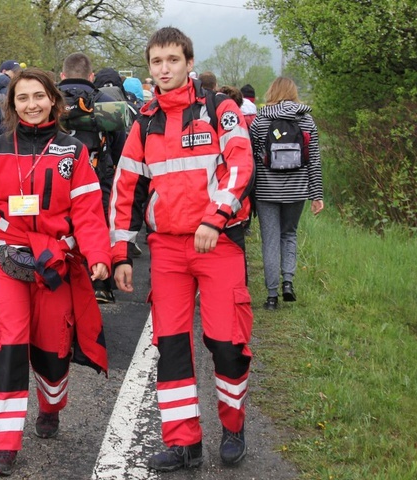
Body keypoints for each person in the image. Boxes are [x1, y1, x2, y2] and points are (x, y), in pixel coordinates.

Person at [0, 67, 111, 476]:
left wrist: (98, 256)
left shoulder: (73, 152)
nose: (32, 104)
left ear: (53, 100)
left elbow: (89, 213)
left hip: (55, 263)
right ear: (12, 104)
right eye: (22, 98)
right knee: (6, 344)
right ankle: (3, 445)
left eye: (38, 96)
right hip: (5, 262)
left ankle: (51, 404)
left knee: (53, 349)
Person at [109, 27, 255, 470]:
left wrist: (217, 217)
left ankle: (233, 425)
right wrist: (120, 252)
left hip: (218, 245)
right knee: (170, 345)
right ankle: (183, 441)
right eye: (157, 62)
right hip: (168, 250)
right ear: (149, 68)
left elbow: (241, 162)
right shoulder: (145, 120)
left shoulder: (218, 109)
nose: (164, 69)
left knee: (226, 342)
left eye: (173, 60)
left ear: (189, 63)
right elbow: (126, 188)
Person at [249, 77, 324, 310]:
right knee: (289, 234)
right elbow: (314, 159)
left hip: (266, 191)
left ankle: (272, 296)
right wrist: (316, 194)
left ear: (271, 92)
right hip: (297, 189)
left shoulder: (260, 121)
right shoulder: (307, 121)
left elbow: (250, 158)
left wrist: (246, 194)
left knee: (270, 240)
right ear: (293, 93)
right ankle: (288, 282)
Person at [59, 53, 126, 304]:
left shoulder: (49, 100)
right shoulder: (106, 102)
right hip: (97, 176)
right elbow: (120, 146)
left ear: (63, 75)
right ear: (91, 76)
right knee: (98, 226)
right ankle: (101, 284)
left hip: (56, 176)